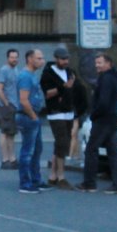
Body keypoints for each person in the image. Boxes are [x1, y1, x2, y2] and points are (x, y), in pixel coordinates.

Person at [81, 53, 117, 194]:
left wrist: (94, 114)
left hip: (103, 121)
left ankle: (89, 183)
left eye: (100, 63)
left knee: (91, 150)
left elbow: (103, 102)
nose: (97, 65)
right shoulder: (113, 78)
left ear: (109, 63)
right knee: (114, 153)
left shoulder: (106, 79)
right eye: (96, 63)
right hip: (112, 119)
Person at [40, 47, 83, 189]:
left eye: (67, 59)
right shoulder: (48, 73)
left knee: (62, 143)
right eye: (63, 59)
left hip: (68, 111)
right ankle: (61, 177)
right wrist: (63, 87)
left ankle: (53, 176)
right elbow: (47, 93)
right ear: (56, 59)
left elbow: (75, 88)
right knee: (62, 142)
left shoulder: (70, 72)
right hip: (56, 112)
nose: (66, 61)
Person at [14, 49, 46, 194]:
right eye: (38, 58)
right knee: (28, 151)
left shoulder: (32, 75)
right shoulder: (25, 76)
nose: (42, 61)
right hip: (27, 116)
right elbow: (23, 100)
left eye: (42, 58)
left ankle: (36, 180)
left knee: (37, 149)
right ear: (30, 59)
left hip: (33, 115)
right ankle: (25, 183)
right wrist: (33, 116)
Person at [0, 48, 20, 170]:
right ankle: (5, 160)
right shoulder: (4, 70)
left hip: (14, 105)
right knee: (5, 132)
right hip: (7, 106)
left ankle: (12, 159)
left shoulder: (16, 69)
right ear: (7, 58)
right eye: (12, 57)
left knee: (11, 133)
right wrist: (6, 103)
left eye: (16, 57)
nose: (14, 59)